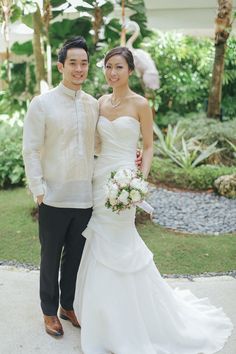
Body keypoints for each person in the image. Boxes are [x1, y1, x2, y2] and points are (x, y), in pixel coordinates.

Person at [76, 47, 233, 354]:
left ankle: (131, 321)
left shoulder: (141, 104)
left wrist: (139, 179)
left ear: (130, 71)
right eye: (108, 67)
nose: (112, 72)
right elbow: (95, 142)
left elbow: (148, 147)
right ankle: (100, 316)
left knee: (121, 241)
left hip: (124, 181)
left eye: (119, 67)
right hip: (99, 180)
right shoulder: (100, 102)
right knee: (98, 239)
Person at [22, 37, 99, 337]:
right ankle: (48, 311)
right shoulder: (42, 104)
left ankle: (68, 305)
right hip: (53, 196)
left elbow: (98, 144)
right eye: (73, 63)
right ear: (60, 66)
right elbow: (30, 149)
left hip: (84, 197)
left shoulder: (93, 104)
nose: (79, 68)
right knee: (50, 257)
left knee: (75, 258)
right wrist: (38, 189)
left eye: (84, 63)